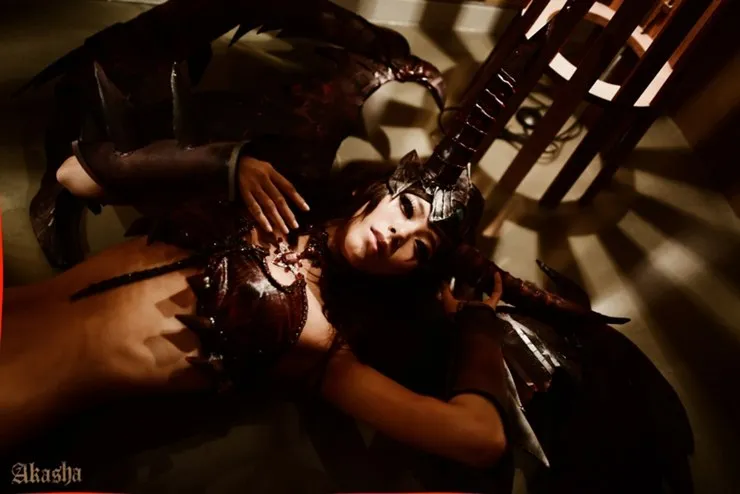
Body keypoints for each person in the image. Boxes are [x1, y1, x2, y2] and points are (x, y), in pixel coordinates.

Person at [0, 61, 516, 474]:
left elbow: (479, 440)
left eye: (420, 249)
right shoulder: (265, 192)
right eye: (406, 209)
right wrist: (222, 164)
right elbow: (74, 175)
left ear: (409, 275)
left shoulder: (320, 343)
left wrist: (478, 328)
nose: (400, 235)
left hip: (23, 388)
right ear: (381, 191)